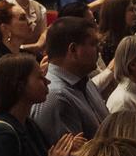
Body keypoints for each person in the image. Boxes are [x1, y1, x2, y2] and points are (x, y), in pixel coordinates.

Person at [32, 14, 108, 142]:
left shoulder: (85, 80)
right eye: (93, 44)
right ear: (73, 49)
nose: (99, 49)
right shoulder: (55, 96)